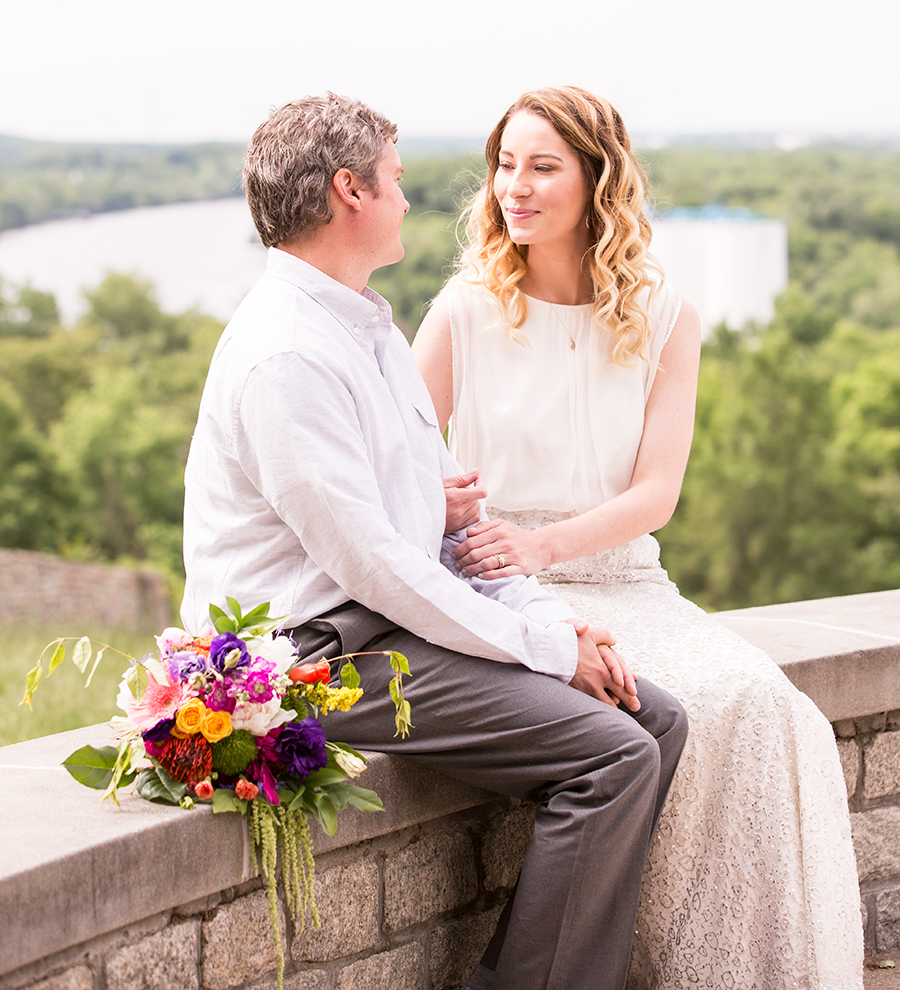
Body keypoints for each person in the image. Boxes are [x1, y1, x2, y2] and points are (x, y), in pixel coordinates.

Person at [180, 93, 688, 990]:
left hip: (379, 626)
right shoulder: (287, 355)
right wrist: (549, 650)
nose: (410, 199)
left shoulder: (367, 329)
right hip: (310, 658)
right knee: (612, 754)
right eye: (397, 180)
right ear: (351, 192)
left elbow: (454, 524)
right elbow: (380, 567)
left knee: (656, 717)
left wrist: (555, 624)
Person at [413, 86, 864, 990]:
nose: (515, 187)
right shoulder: (463, 309)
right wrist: (469, 523)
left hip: (625, 578)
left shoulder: (665, 315)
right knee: (662, 706)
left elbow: (657, 493)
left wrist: (547, 545)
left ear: (597, 179)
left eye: (543, 167)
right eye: (505, 165)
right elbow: (399, 469)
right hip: (505, 586)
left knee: (764, 706)